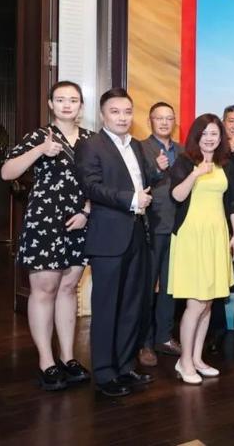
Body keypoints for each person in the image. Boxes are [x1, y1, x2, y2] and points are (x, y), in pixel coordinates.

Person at [0, 81, 93, 391]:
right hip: (44, 221)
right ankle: (46, 361)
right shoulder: (39, 136)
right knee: (45, 289)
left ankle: (68, 357)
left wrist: (87, 211)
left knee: (68, 287)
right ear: (51, 104)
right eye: (60, 99)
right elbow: (7, 172)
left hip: (79, 221)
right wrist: (40, 151)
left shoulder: (91, 139)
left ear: (81, 106)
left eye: (73, 100)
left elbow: (101, 182)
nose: (67, 104)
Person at [76, 88, 155, 397]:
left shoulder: (135, 145)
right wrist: (130, 199)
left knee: (132, 305)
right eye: (115, 111)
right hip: (108, 237)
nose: (122, 117)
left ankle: (124, 366)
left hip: (137, 233)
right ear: (102, 115)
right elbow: (91, 186)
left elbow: (142, 182)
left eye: (127, 111)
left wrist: (157, 172)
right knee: (107, 307)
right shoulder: (90, 145)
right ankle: (105, 373)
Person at [168, 114, 234, 384]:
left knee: (208, 301)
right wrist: (195, 174)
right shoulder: (185, 161)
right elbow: (176, 195)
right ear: (196, 136)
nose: (210, 138)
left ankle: (197, 358)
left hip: (217, 235)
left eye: (215, 134)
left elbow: (232, 201)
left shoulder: (226, 164)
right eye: (205, 133)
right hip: (192, 236)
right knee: (196, 302)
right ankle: (184, 361)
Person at [138, 102, 183, 367]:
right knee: (147, 286)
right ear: (150, 121)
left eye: (169, 118)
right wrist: (155, 170)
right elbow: (134, 182)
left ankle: (164, 337)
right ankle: (144, 342)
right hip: (152, 226)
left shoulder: (182, 151)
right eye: (159, 118)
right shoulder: (140, 148)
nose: (165, 122)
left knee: (169, 286)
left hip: (178, 227)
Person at [208, 104, 234, 352]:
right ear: (223, 124)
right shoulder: (211, 150)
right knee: (216, 278)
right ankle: (217, 330)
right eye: (231, 121)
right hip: (217, 223)